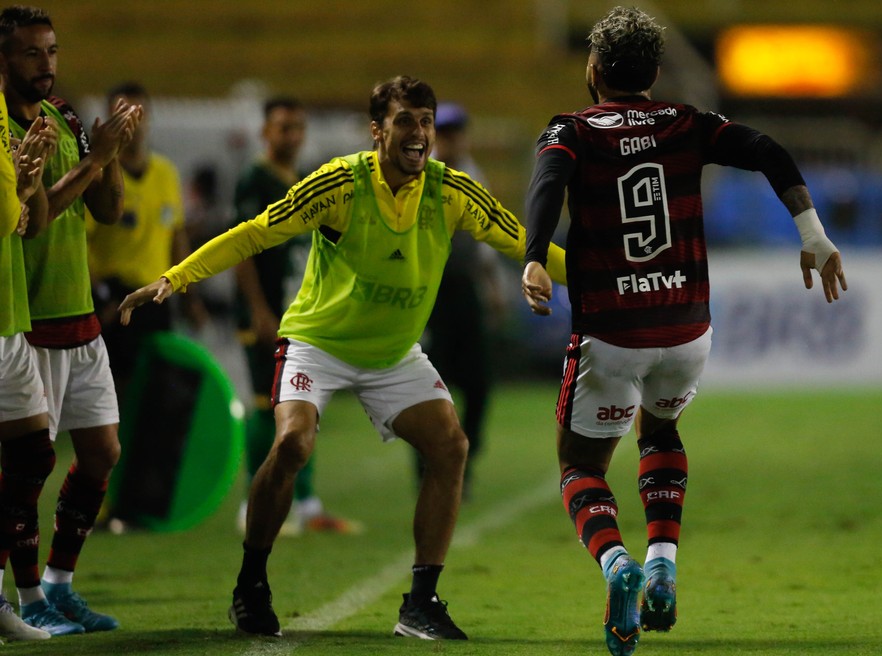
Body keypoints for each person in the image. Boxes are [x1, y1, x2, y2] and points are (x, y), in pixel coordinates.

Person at [118, 75, 566, 640]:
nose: (419, 133)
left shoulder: (451, 190)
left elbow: (525, 243)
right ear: (377, 130)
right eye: (406, 120)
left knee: (450, 446)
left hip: (393, 354)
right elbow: (255, 234)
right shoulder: (339, 184)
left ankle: (421, 602)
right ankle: (250, 585)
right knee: (292, 444)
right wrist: (175, 278)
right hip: (318, 343)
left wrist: (609, 282)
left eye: (425, 121)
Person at [521, 7, 848, 656]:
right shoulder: (688, 123)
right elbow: (767, 151)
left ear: (592, 70)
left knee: (579, 464)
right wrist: (813, 233)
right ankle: (664, 560)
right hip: (687, 330)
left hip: (612, 332)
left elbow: (547, 181)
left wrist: (534, 254)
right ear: (657, 72)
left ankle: (620, 566)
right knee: (662, 428)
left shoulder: (572, 129)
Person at [0, 5, 142, 636]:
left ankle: (59, 586)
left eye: (52, 52)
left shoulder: (65, 121)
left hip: (81, 317)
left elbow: (108, 211)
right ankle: (27, 599)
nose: (47, 65)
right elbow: (30, 225)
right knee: (30, 467)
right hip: (30, 318)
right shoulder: (4, 132)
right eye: (33, 53)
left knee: (103, 452)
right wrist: (92, 161)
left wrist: (110, 155)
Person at [232, 96, 358, 535]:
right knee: (265, 407)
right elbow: (243, 248)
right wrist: (259, 311)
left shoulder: (303, 180)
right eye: (283, 128)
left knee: (305, 405)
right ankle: (252, 503)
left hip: (299, 315)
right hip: (265, 314)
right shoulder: (255, 179)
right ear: (265, 132)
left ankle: (304, 502)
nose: (292, 136)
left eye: (298, 128)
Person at [87, 81, 203, 404]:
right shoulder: (99, 175)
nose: (132, 125)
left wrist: (189, 294)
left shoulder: (166, 173)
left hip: (157, 298)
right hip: (117, 300)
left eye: (138, 114)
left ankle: (147, 455)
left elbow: (176, 236)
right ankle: (115, 454)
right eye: (121, 115)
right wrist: (101, 296)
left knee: (159, 390)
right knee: (119, 392)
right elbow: (80, 243)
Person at [415, 101, 504, 499]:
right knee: (431, 385)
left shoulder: (472, 175)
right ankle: (428, 465)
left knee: (479, 382)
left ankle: (462, 456)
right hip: (427, 292)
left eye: (456, 132)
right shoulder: (420, 176)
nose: (452, 140)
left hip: (463, 286)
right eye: (445, 132)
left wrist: (492, 286)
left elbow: (483, 238)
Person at [0, 81, 57, 643]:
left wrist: (25, 181)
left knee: (33, 456)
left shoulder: (4, 117)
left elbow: (25, 223)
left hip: (9, 313)